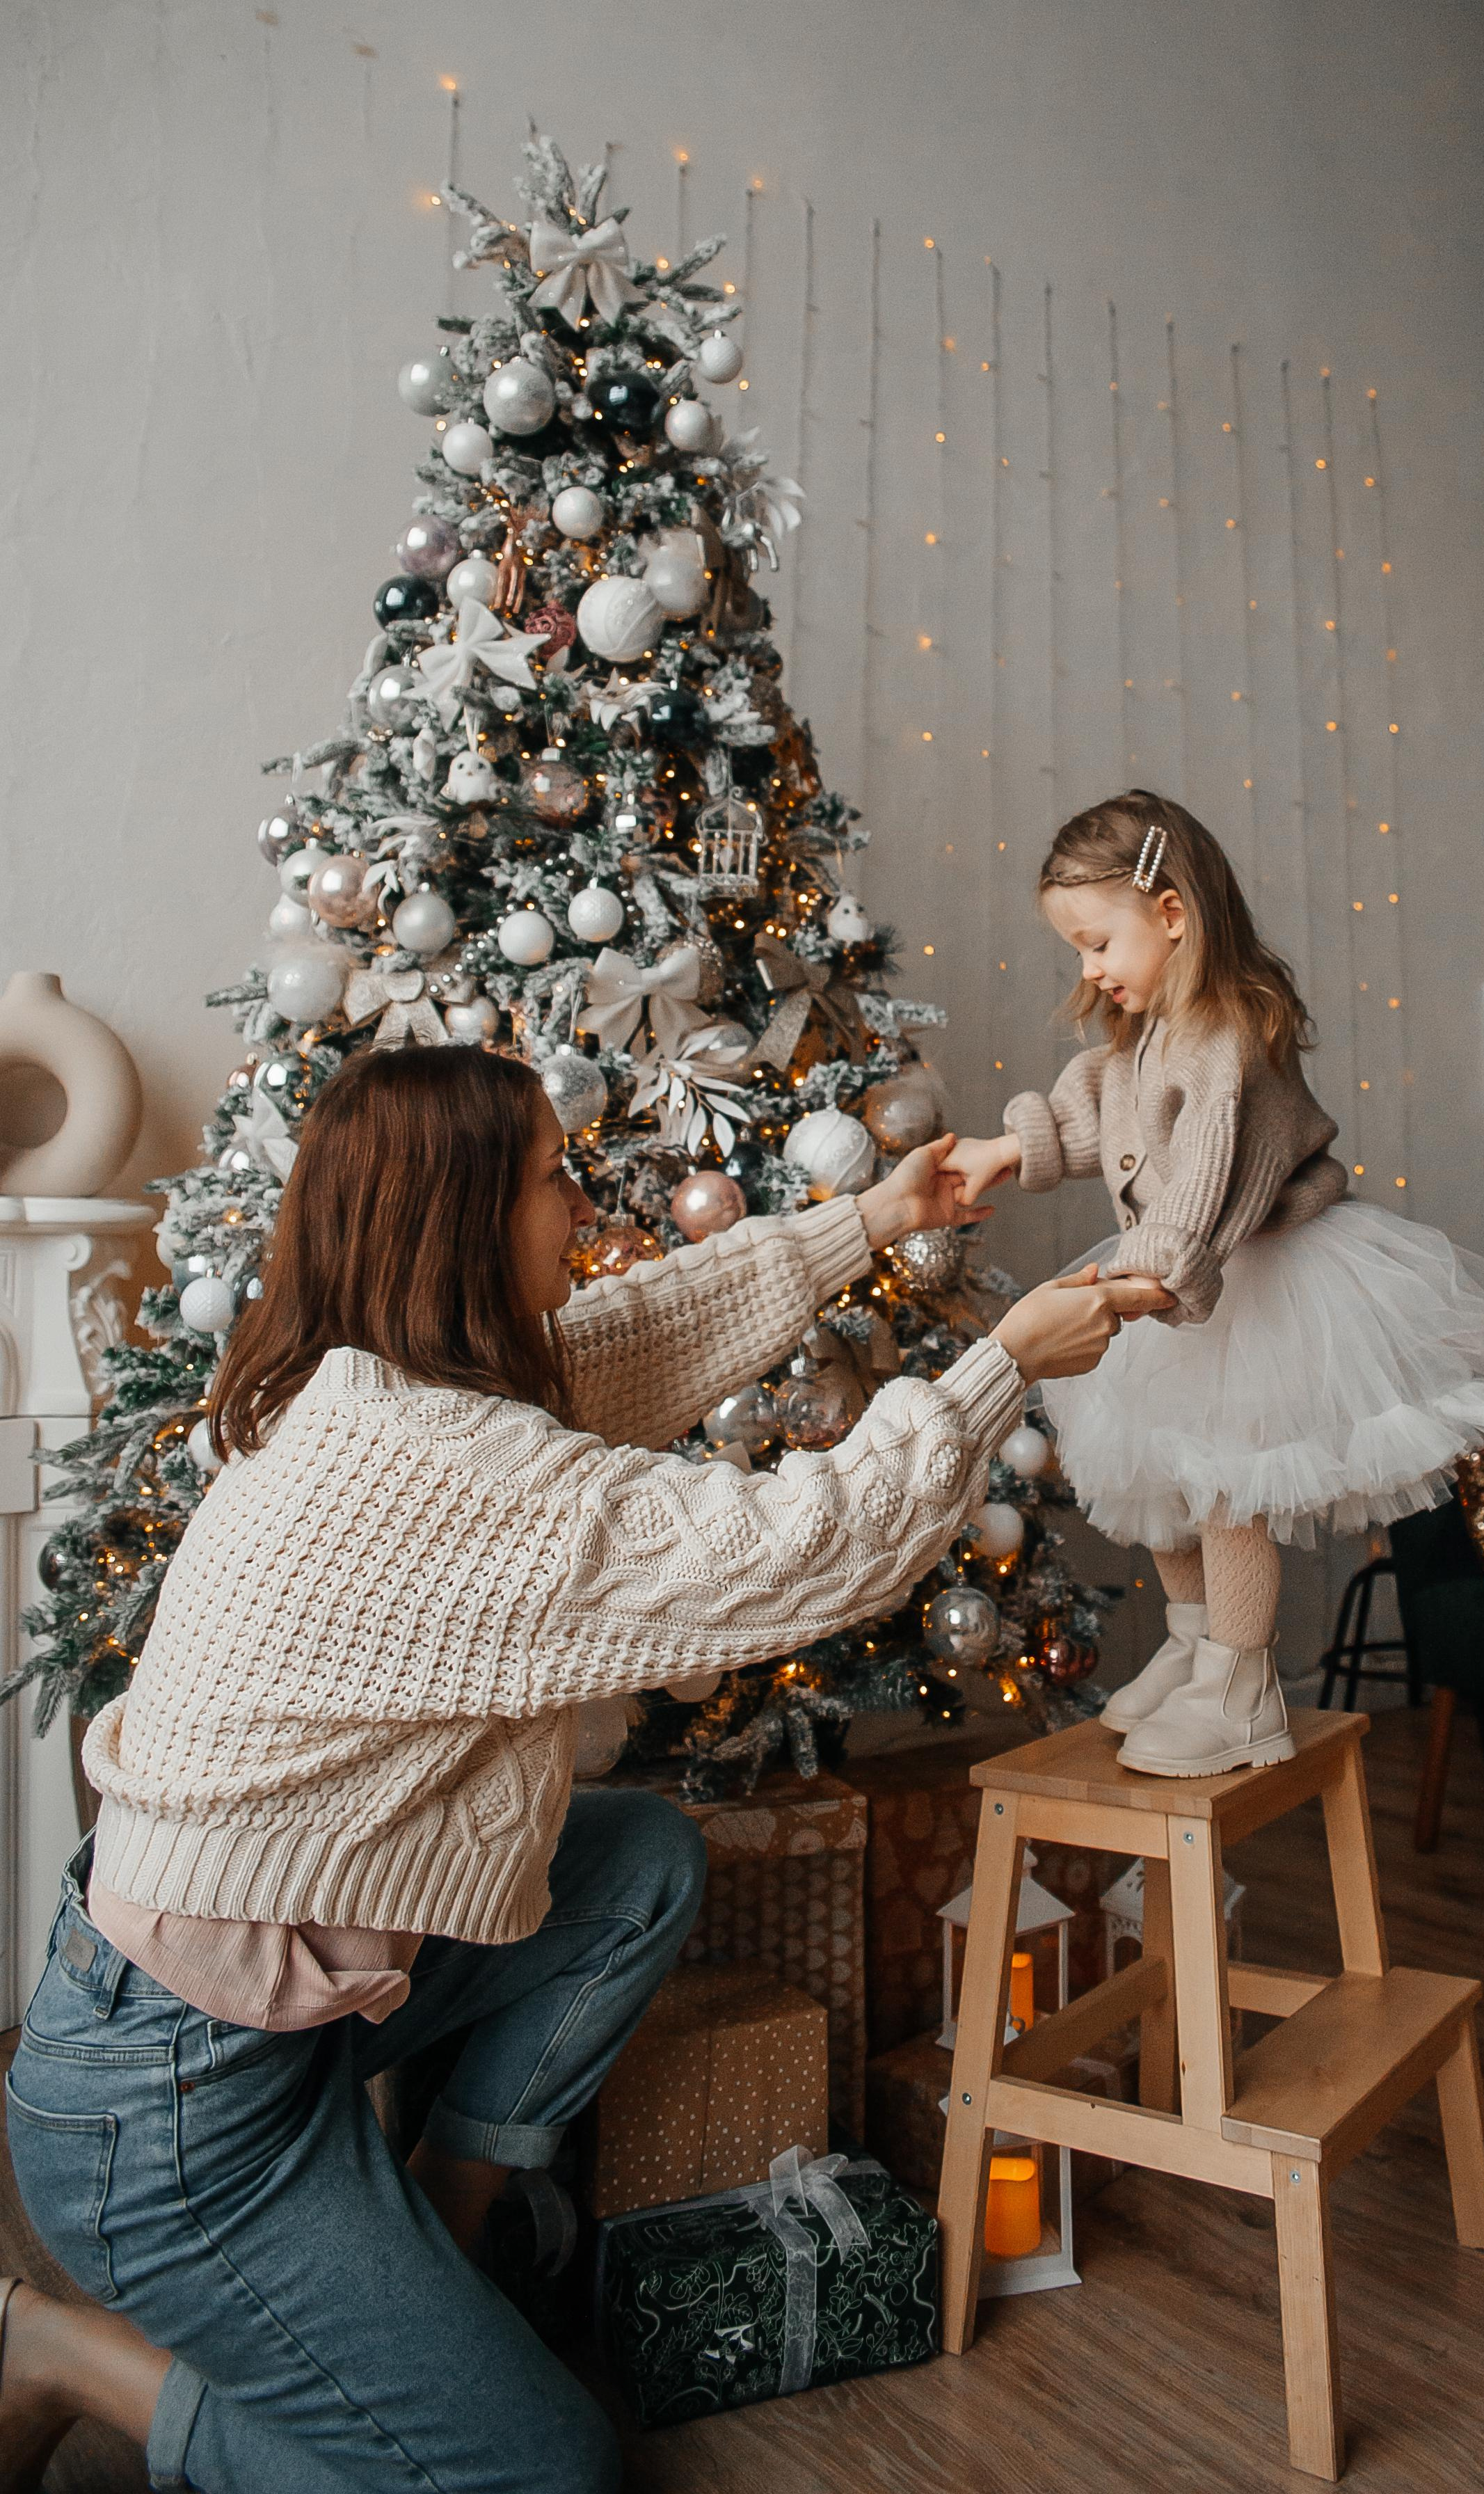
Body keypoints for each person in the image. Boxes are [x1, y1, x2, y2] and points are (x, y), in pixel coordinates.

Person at [0, 1045, 1165, 2493]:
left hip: (263, 2016)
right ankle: (59, 2356)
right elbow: (801, 1549)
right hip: (171, 2110)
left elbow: (641, 1334)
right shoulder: (429, 1468)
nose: (587, 1201)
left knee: (633, 1861)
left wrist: (872, 1217)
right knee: (545, 2475)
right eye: (556, 1176)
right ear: (464, 1219)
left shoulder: (380, 1386)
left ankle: (444, 2212)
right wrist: (1001, 1369)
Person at [943, 791, 1484, 1780]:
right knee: (1151, 1465)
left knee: (1225, 1485)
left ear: (1172, 913)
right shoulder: (1144, 1036)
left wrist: (1149, 1275)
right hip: (1172, 1267)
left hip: (1247, 1271)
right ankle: (1193, 1642)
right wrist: (1003, 1151)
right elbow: (1099, 1113)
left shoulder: (1228, 1036)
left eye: (1098, 943)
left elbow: (1211, 1181)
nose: (1089, 970)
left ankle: (1242, 1682)